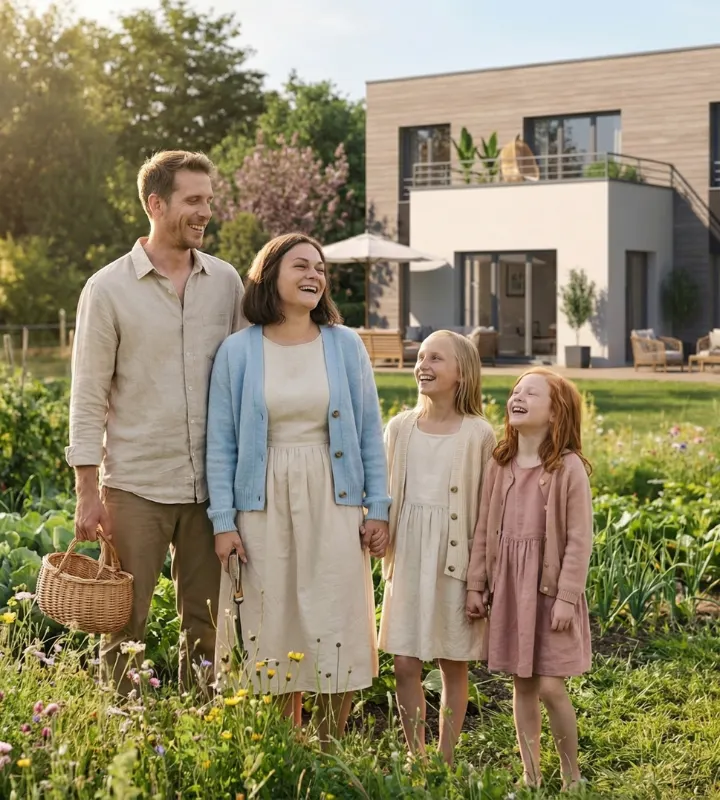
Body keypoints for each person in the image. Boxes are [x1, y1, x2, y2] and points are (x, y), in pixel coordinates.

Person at [66, 150, 246, 694]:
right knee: (123, 623)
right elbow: (88, 393)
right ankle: (125, 732)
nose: (205, 212)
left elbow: (246, 375)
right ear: (156, 203)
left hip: (210, 489)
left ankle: (201, 727)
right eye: (193, 200)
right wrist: (86, 489)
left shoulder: (226, 282)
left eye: (208, 201)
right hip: (136, 486)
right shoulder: (108, 288)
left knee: (208, 624)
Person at [206, 232, 390, 746]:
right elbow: (220, 444)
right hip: (260, 504)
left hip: (334, 498)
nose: (314, 276)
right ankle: (288, 747)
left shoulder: (345, 344)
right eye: (301, 266)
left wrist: (378, 508)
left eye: (321, 269)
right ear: (270, 276)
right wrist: (224, 522)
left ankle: (330, 745)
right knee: (273, 619)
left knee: (337, 614)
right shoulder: (237, 352)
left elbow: (367, 432)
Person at [466, 368, 593, 791]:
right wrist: (476, 584)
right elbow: (484, 528)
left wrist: (566, 597)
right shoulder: (500, 464)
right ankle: (531, 774)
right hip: (510, 590)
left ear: (556, 414)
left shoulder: (569, 468)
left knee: (552, 687)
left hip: (550, 591)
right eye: (515, 391)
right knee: (522, 685)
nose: (517, 397)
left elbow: (578, 540)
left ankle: (572, 775)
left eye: (531, 393)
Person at [378, 331, 496, 764]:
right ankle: (417, 754)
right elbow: (385, 492)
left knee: (452, 663)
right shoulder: (400, 428)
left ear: (461, 374)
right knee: (404, 663)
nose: (423, 364)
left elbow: (487, 512)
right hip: (408, 558)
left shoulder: (479, 435)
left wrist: (478, 579)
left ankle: (445, 758)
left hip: (453, 563)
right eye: (421, 356)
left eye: (436, 359)